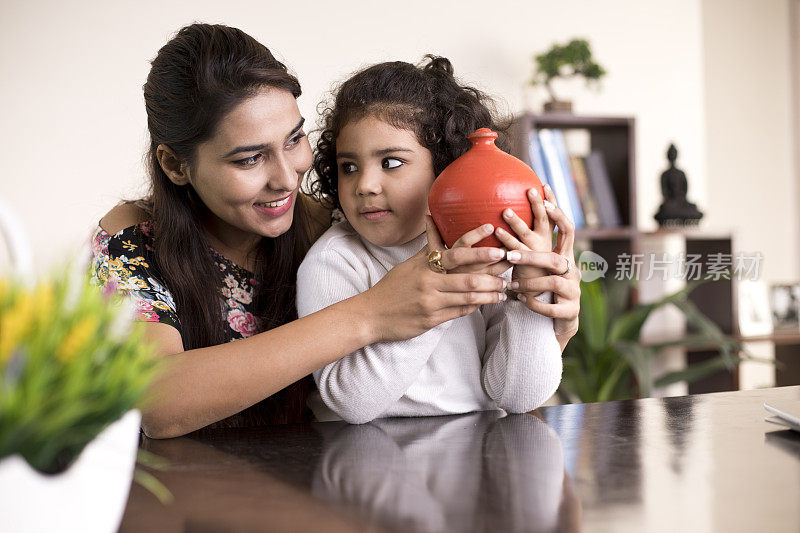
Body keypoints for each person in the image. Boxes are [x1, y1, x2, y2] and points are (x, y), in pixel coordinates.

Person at [90, 24, 580, 438]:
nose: (286, 177)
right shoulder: (133, 237)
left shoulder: (336, 222)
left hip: (316, 491)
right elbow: (157, 401)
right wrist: (371, 314)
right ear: (176, 164)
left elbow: (488, 372)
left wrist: (545, 310)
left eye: (295, 139)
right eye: (249, 158)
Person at [298, 57, 576, 424]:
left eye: (391, 163)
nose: (364, 185)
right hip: (367, 466)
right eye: (349, 166)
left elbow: (519, 395)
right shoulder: (335, 261)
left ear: (448, 169)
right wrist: (440, 299)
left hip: (476, 463)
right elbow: (350, 402)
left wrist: (532, 289)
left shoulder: (486, 253)